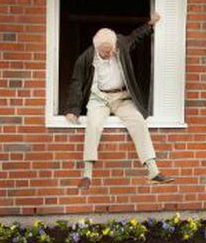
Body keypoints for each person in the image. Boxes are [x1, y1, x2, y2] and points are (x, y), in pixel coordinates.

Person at [65, 12, 174, 190]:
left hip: (122, 98)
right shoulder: (85, 58)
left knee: (139, 122)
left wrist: (150, 25)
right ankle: (87, 175)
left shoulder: (121, 45)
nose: (109, 53)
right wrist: (72, 109)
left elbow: (136, 36)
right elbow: (76, 83)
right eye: (104, 51)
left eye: (111, 50)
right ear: (96, 47)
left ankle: (153, 172)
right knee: (93, 124)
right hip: (99, 98)